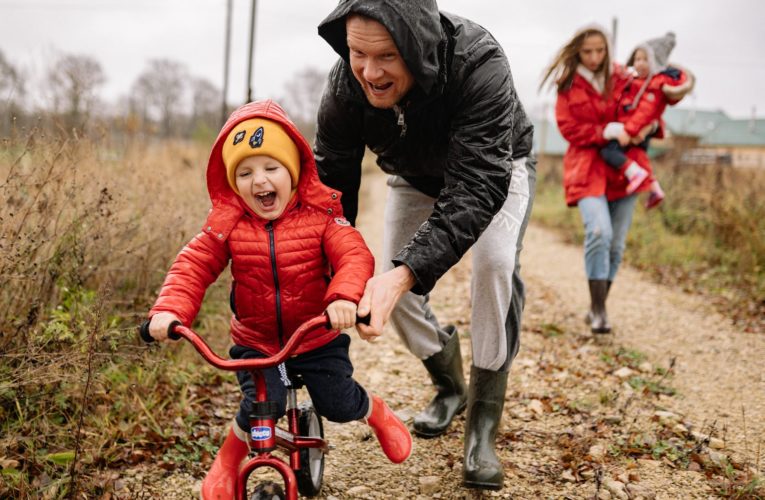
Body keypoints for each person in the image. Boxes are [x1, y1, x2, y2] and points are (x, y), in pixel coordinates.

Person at [314, 0, 535, 491]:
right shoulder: (343, 86)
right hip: (412, 176)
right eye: (357, 54)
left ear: (416, 46)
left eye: (386, 56)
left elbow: (478, 186)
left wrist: (405, 273)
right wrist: (328, 272)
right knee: (395, 285)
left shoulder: (479, 62)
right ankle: (449, 385)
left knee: (494, 265)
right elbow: (331, 189)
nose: (369, 72)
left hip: (496, 168)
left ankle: (482, 425)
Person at [145, 100, 412, 499]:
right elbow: (193, 265)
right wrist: (169, 310)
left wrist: (342, 298)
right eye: (246, 172)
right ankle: (228, 461)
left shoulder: (321, 217)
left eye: (271, 168)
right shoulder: (228, 225)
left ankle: (375, 411)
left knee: (337, 402)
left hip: (316, 336)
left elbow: (354, 256)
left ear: (293, 170)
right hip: (257, 340)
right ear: (234, 183)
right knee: (259, 408)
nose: (260, 181)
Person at [540, 26, 689, 338]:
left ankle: (597, 306)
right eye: (587, 52)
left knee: (617, 244)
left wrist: (671, 95)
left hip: (624, 168)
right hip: (587, 168)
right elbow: (568, 129)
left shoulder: (622, 75)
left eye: (600, 50)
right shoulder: (567, 84)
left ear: (607, 50)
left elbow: (652, 94)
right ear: (577, 52)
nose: (595, 57)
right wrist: (605, 131)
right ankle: (600, 311)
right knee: (598, 232)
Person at [600, 32, 694, 209]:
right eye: (637, 59)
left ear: (655, 63)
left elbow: (645, 112)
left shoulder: (653, 85)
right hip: (633, 129)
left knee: (609, 152)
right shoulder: (636, 82)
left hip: (632, 130)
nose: (639, 63)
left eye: (645, 59)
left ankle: (634, 174)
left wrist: (629, 131)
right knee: (638, 157)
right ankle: (654, 188)